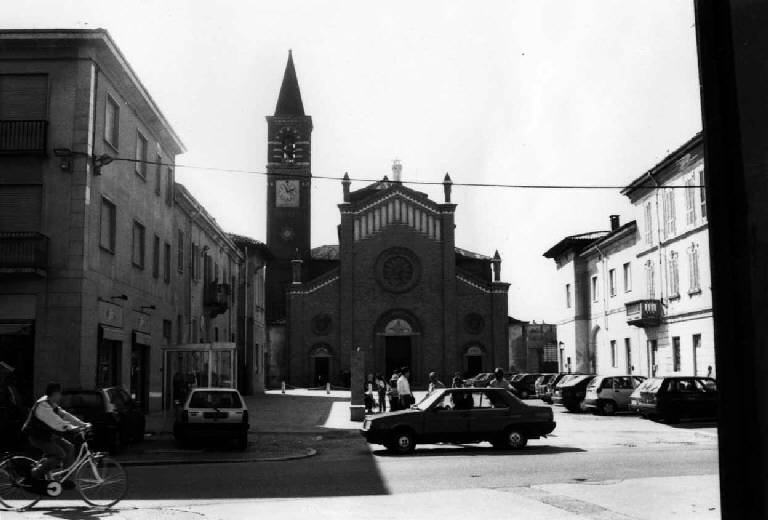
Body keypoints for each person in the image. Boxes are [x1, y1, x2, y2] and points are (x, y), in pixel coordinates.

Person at [22, 382, 90, 480]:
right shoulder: (43, 406)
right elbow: (56, 422)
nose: (61, 396)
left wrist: (82, 424)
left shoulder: (51, 402)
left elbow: (65, 415)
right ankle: (34, 474)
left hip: (48, 435)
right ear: (55, 393)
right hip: (38, 437)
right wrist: (72, 428)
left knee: (70, 448)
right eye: (60, 393)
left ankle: (65, 478)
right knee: (59, 454)